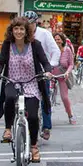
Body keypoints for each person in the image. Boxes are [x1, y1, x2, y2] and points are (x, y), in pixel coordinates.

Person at [0, 17, 53, 163]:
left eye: (21, 29)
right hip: (13, 81)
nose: (18, 32)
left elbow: (45, 62)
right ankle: (8, 129)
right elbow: (1, 62)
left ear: (26, 31)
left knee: (32, 116)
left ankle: (33, 146)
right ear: (12, 31)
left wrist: (48, 72)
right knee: (9, 98)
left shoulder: (35, 45)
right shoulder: (7, 44)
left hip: (31, 83)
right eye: (16, 29)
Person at [23, 11, 60, 141]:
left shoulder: (44, 34)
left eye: (30, 23)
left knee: (45, 99)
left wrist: (50, 66)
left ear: (36, 23)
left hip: (43, 72)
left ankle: (46, 127)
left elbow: (55, 51)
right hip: (26, 74)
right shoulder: (21, 34)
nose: (28, 26)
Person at [52, 32, 76, 124]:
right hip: (51, 75)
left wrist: (67, 72)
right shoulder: (51, 50)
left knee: (64, 97)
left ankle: (70, 115)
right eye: (55, 39)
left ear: (62, 40)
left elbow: (71, 64)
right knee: (45, 95)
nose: (56, 41)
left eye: (58, 39)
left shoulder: (67, 50)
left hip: (62, 76)